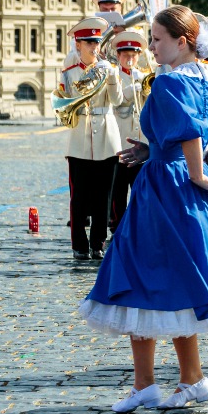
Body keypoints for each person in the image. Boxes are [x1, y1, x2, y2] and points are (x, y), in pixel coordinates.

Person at [79, 6, 208, 412]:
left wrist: (195, 173)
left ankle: (165, 381)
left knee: (143, 276)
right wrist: (153, 149)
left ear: (182, 42)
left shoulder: (172, 82)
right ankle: (171, 380)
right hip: (168, 178)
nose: (151, 47)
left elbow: (191, 130)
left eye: (157, 40)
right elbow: (193, 131)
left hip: (166, 188)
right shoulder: (204, 80)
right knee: (170, 282)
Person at [61, 16, 124, 260]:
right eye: (89, 43)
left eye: (96, 43)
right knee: (78, 197)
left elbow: (117, 101)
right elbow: (63, 101)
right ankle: (79, 245)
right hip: (78, 137)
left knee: (103, 196)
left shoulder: (107, 67)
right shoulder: (70, 68)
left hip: (107, 137)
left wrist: (114, 77)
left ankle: (97, 243)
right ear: (78, 44)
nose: (94, 47)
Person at [109, 30, 150, 237]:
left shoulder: (144, 77)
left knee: (138, 186)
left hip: (139, 141)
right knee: (117, 189)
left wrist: (143, 88)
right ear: (118, 55)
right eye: (126, 55)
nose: (130, 59)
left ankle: (138, 223)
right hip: (119, 139)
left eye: (134, 55)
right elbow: (115, 101)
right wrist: (129, 89)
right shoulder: (113, 76)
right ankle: (116, 225)